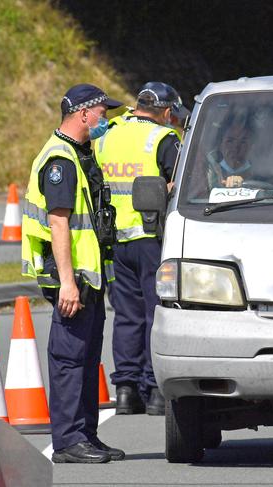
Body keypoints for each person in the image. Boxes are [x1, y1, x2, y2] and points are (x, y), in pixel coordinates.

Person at [21, 83, 124, 464]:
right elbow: (59, 223)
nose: (106, 119)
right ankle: (67, 441)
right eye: (102, 113)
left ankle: (86, 435)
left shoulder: (82, 153)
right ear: (83, 113)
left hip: (88, 275)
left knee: (86, 355)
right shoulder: (61, 160)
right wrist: (67, 281)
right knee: (68, 358)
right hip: (72, 277)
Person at [94, 81, 189, 416]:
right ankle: (155, 392)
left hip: (113, 241)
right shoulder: (163, 139)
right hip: (151, 239)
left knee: (126, 316)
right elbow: (183, 183)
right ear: (165, 111)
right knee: (156, 314)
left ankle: (125, 390)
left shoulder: (106, 135)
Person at [206, 122, 253, 188]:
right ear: (220, 145)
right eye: (230, 141)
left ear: (250, 146)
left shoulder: (259, 171)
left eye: (243, 142)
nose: (236, 147)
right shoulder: (208, 169)